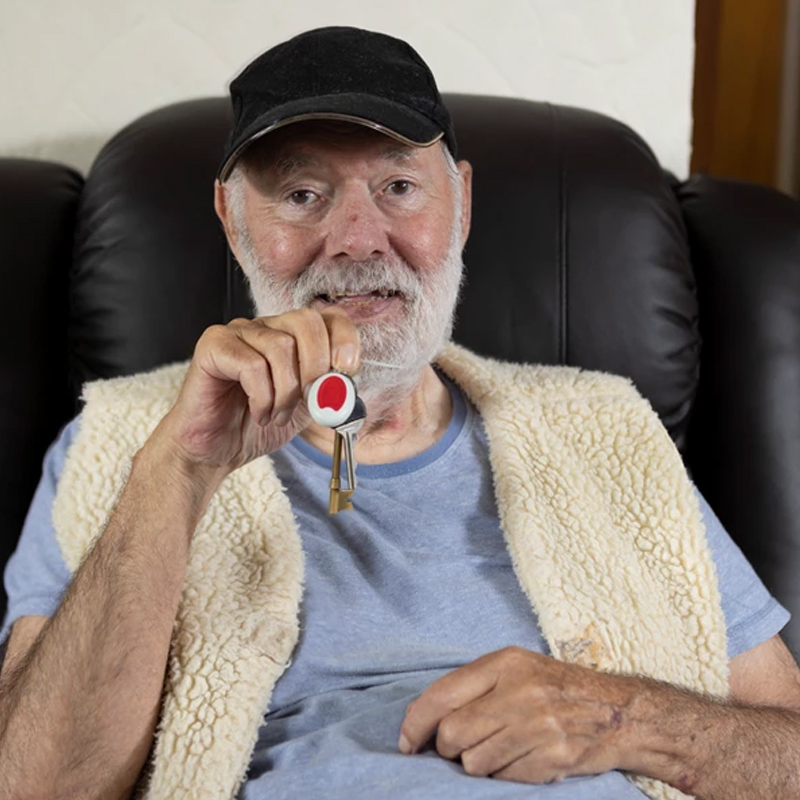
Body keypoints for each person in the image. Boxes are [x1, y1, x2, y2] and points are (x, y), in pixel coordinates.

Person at [1, 25, 799, 800]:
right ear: (233, 222)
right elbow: (34, 785)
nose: (355, 238)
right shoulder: (120, 444)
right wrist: (179, 471)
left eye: (399, 187)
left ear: (463, 204)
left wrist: (626, 721)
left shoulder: (608, 432)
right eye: (302, 194)